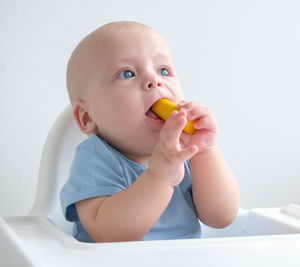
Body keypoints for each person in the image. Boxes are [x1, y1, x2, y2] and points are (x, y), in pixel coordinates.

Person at [60, 21, 240, 243]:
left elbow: (221, 217)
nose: (154, 81)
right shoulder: (94, 158)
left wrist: (205, 151)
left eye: (163, 70)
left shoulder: (185, 151)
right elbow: (109, 234)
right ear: (88, 117)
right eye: (127, 73)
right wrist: (160, 176)